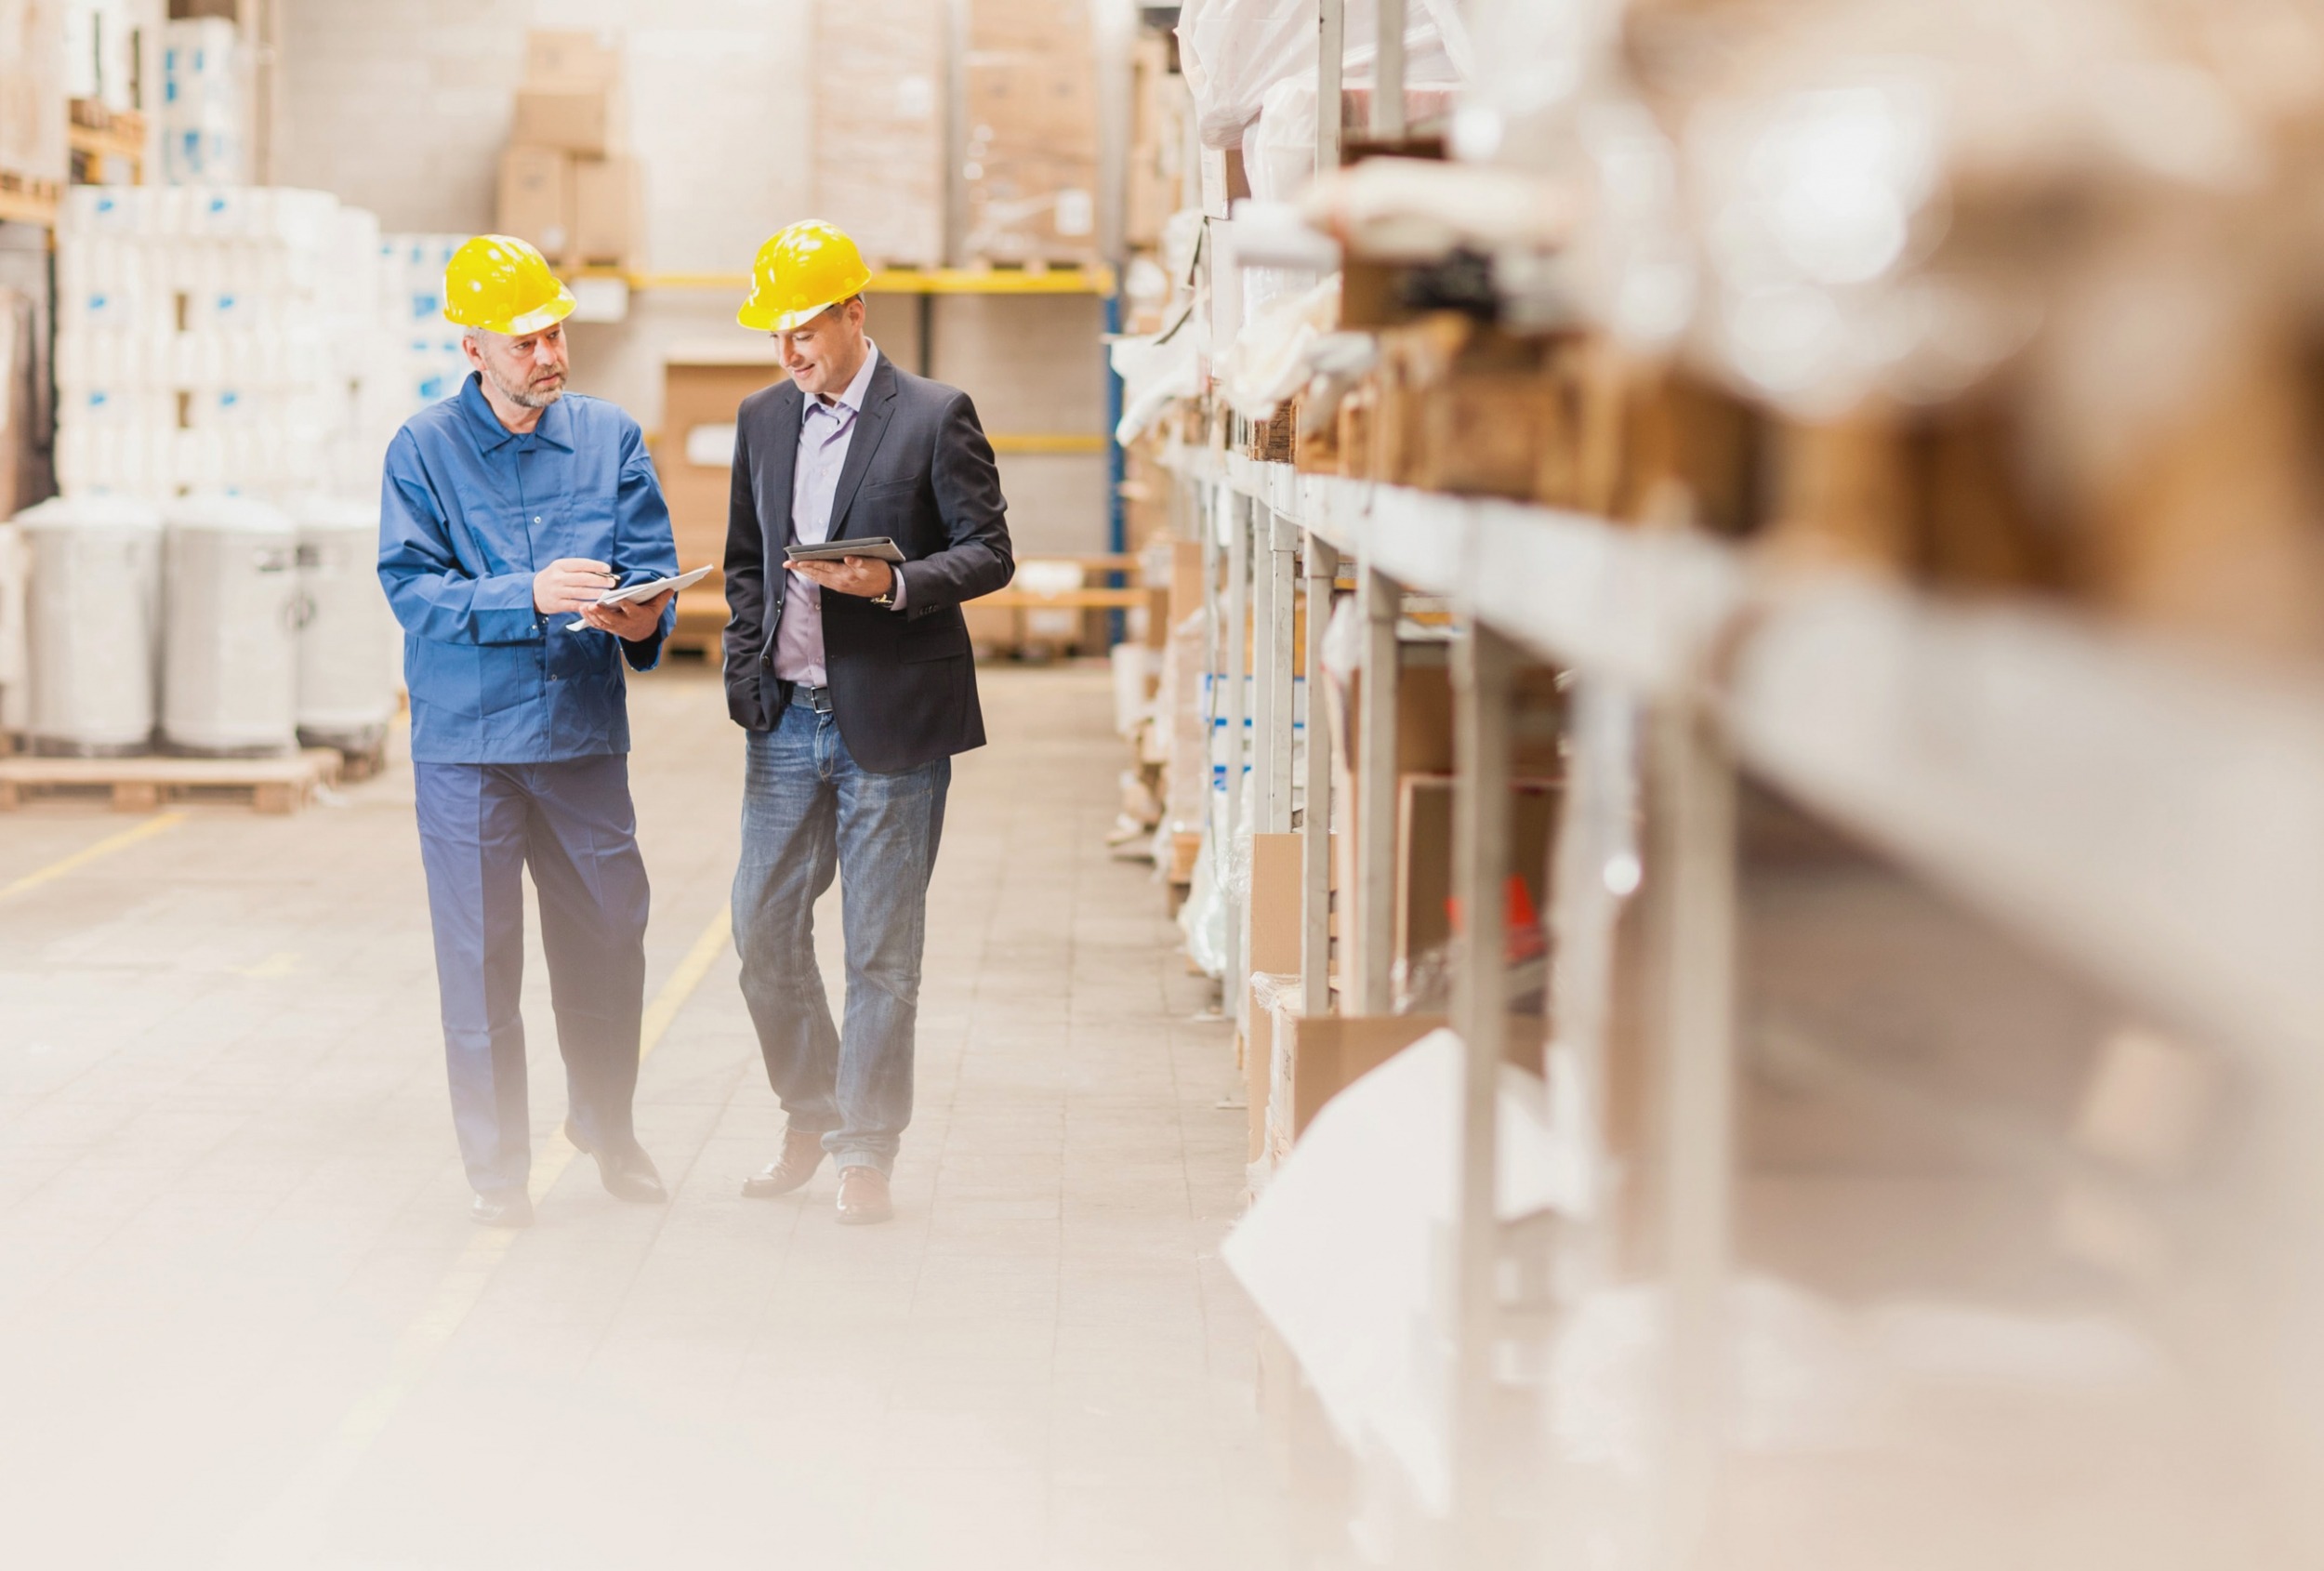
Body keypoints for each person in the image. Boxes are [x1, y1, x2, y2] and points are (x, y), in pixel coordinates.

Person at [378, 234, 682, 1227]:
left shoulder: (609, 438)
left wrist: (644, 616)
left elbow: (650, 566)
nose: (550, 354)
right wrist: (528, 595)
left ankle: (606, 1119)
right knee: (480, 959)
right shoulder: (422, 450)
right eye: (525, 343)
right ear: (472, 348)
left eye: (556, 333)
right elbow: (413, 588)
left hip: (581, 735)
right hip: (468, 748)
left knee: (611, 932)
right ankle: (497, 1171)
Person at [721, 220, 1014, 1224]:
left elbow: (988, 551)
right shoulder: (764, 419)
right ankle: (812, 1107)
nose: (790, 352)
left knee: (880, 952)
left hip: (891, 722)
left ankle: (864, 1147)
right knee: (761, 930)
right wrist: (744, 677)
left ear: (855, 313)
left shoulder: (933, 416)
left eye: (804, 329)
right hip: (785, 722)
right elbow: (748, 563)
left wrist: (893, 583)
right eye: (776, 336)